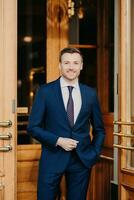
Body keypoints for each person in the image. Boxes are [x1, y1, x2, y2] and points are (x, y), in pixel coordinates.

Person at [27, 47, 105, 200]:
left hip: (81, 160)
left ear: (81, 66)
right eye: (67, 63)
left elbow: (99, 129)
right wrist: (58, 141)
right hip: (52, 157)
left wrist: (94, 153)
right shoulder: (45, 92)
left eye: (76, 63)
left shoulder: (90, 93)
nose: (71, 67)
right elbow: (33, 127)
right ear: (60, 65)